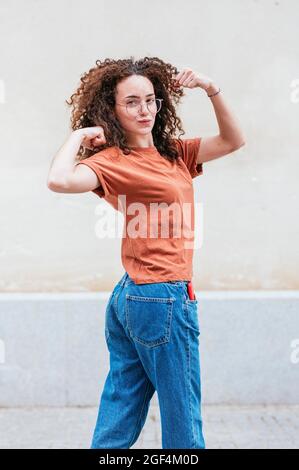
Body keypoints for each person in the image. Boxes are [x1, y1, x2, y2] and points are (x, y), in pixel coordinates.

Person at [47, 56, 245, 449]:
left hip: (135, 295)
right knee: (182, 415)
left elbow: (232, 140)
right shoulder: (110, 162)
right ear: (112, 109)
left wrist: (210, 88)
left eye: (151, 100)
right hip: (161, 296)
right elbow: (59, 179)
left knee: (122, 406)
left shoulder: (175, 153)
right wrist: (81, 136)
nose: (145, 110)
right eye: (132, 102)